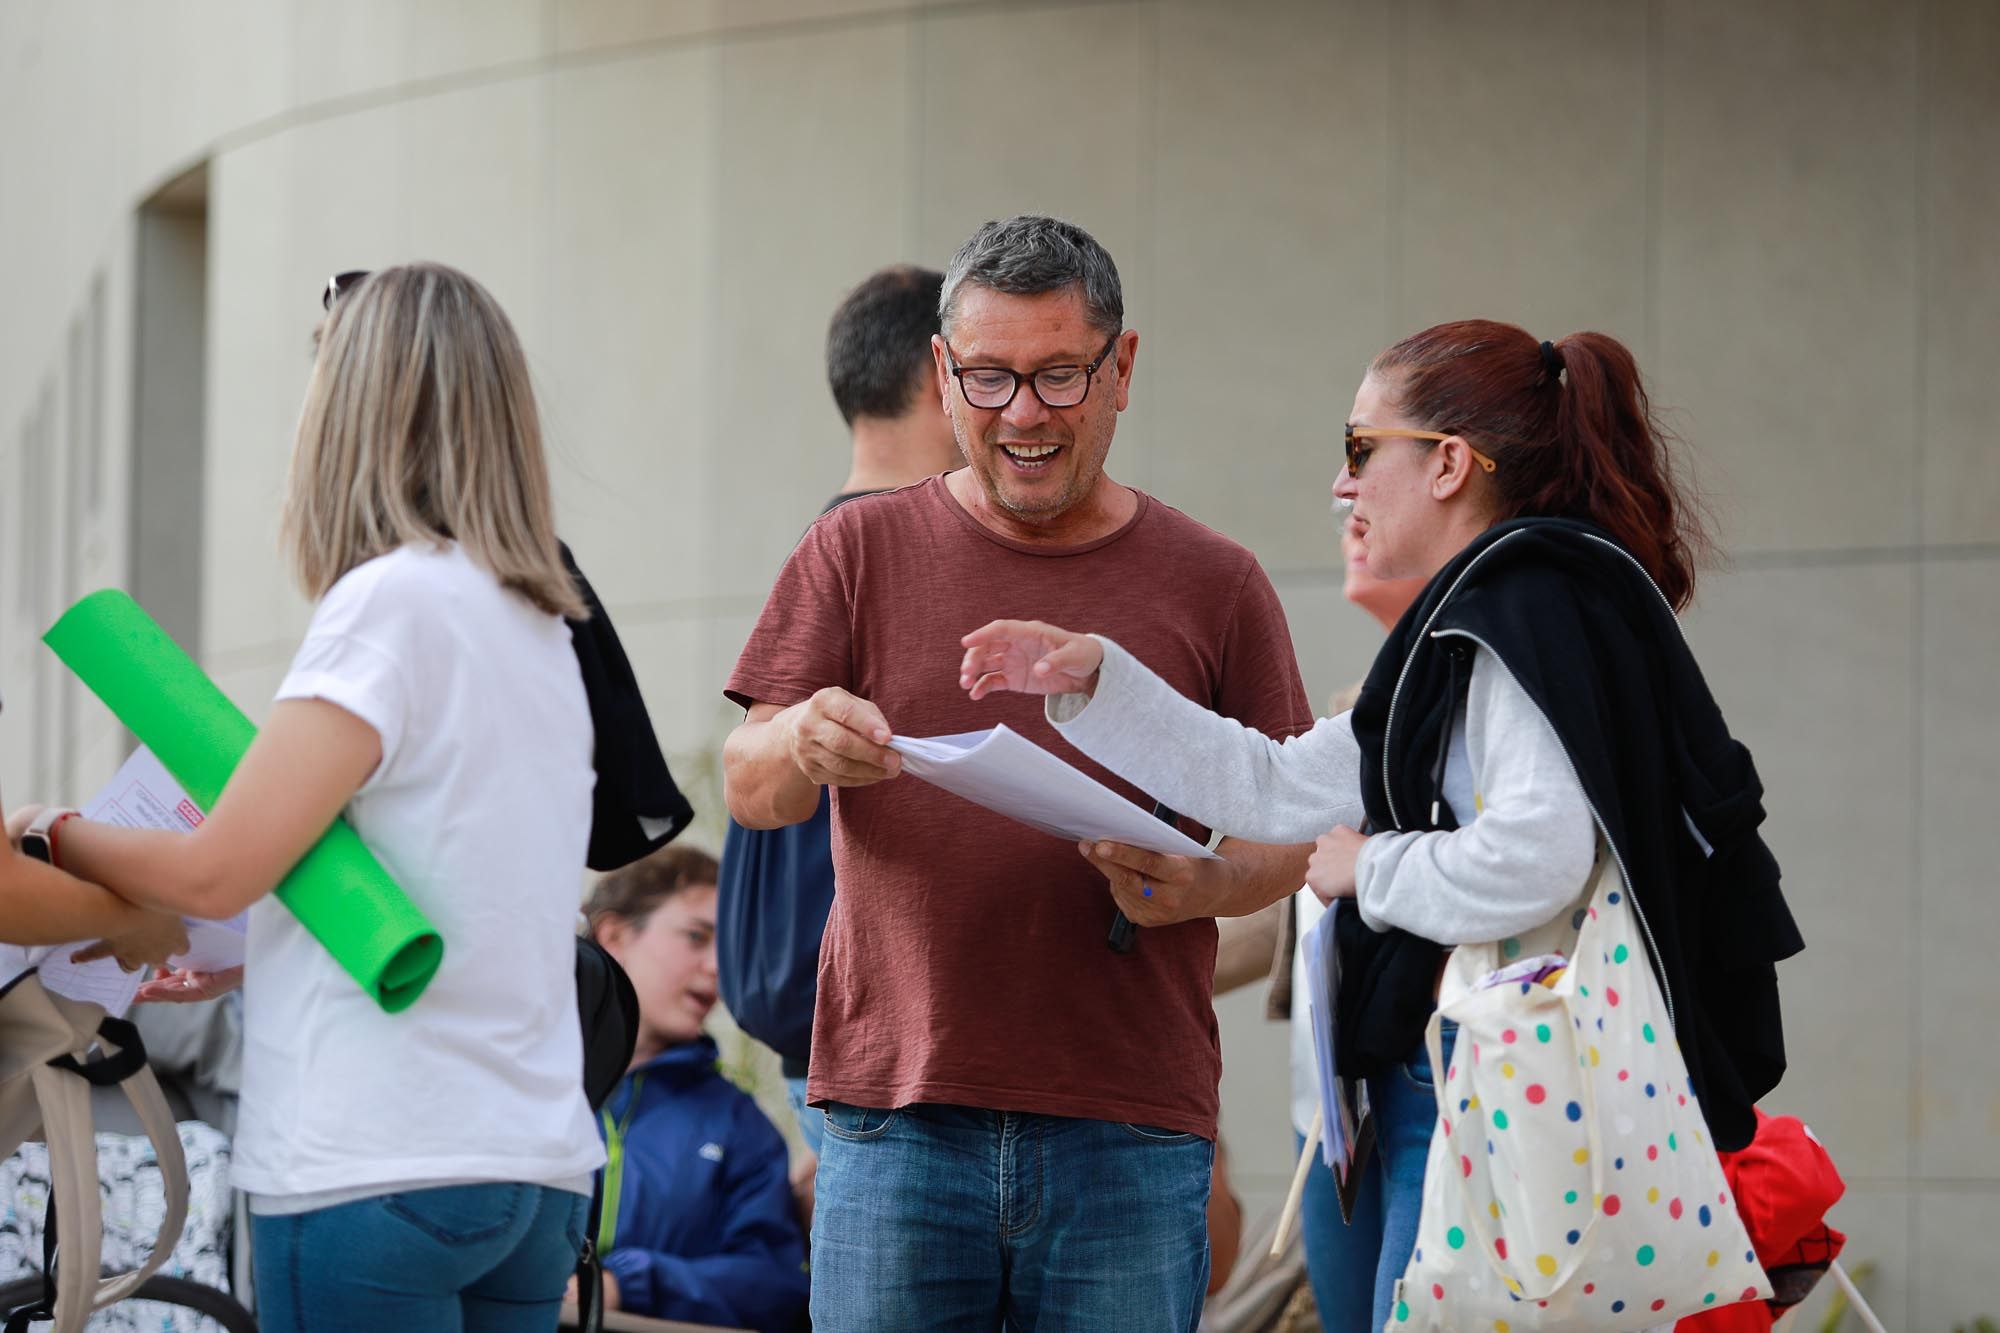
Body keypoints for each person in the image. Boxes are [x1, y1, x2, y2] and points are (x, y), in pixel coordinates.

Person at [959, 319, 1804, 1331]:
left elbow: (1538, 852)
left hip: (1472, 1090)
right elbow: (1272, 783)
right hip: (1427, 1087)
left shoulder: (1520, 612)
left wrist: (1366, 866)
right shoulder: (1479, 621)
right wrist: (1097, 679)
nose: (1340, 483)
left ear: (1448, 464)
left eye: (1360, 448)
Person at [721, 214, 1317, 1332]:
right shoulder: (854, 551)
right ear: (942, 374)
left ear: (1121, 368)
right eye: (988, 379)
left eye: (1056, 375)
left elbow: (1283, 828)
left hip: (1126, 1127)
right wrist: (801, 735)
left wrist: (1209, 886)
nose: (1023, 414)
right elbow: (748, 781)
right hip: (894, 1120)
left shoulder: (1215, 582)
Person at [5, 263, 602, 1332]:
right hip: (533, 1164)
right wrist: (236, 951)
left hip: (371, 1160)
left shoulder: (387, 602)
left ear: (351, 411)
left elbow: (216, 867)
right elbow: (446, 874)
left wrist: (54, 831)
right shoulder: (541, 630)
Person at [716, 264, 962, 1172]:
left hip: (814, 1031)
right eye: (989, 374)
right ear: (945, 376)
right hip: (883, 1051)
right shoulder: (900, 556)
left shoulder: (821, 546)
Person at [1209, 512, 1427, 1332]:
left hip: (1438, 1088)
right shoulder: (1353, 722)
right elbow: (1295, 900)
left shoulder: (1494, 694)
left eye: (1367, 455)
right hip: (1335, 1117)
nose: (1348, 500)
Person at [583, 843, 809, 1332]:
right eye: (696, 936)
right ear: (614, 935)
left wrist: (624, 1285)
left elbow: (776, 1285)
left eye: (726, 947)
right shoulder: (529, 1084)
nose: (717, 968)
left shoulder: (741, 1126)